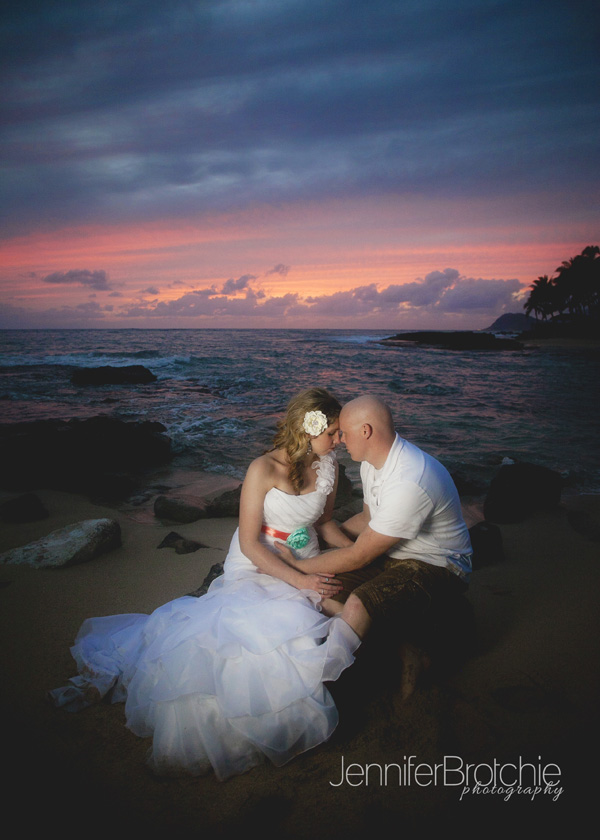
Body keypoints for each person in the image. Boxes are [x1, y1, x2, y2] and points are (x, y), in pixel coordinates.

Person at [48, 388, 361, 781]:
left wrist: (363, 553)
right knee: (258, 635)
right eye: (332, 432)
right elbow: (249, 541)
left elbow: (324, 523)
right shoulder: (262, 468)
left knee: (310, 618)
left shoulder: (329, 464)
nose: (339, 440)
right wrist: (301, 581)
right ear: (308, 428)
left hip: (308, 554)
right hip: (257, 562)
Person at [278, 395, 472, 689]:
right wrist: (328, 534)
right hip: (394, 553)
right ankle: (403, 645)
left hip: (438, 564)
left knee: (356, 605)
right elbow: (370, 519)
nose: (339, 440)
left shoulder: (411, 479)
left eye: (343, 432)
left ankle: (328, 688)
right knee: (324, 589)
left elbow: (359, 556)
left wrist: (298, 564)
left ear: (365, 431)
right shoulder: (372, 461)